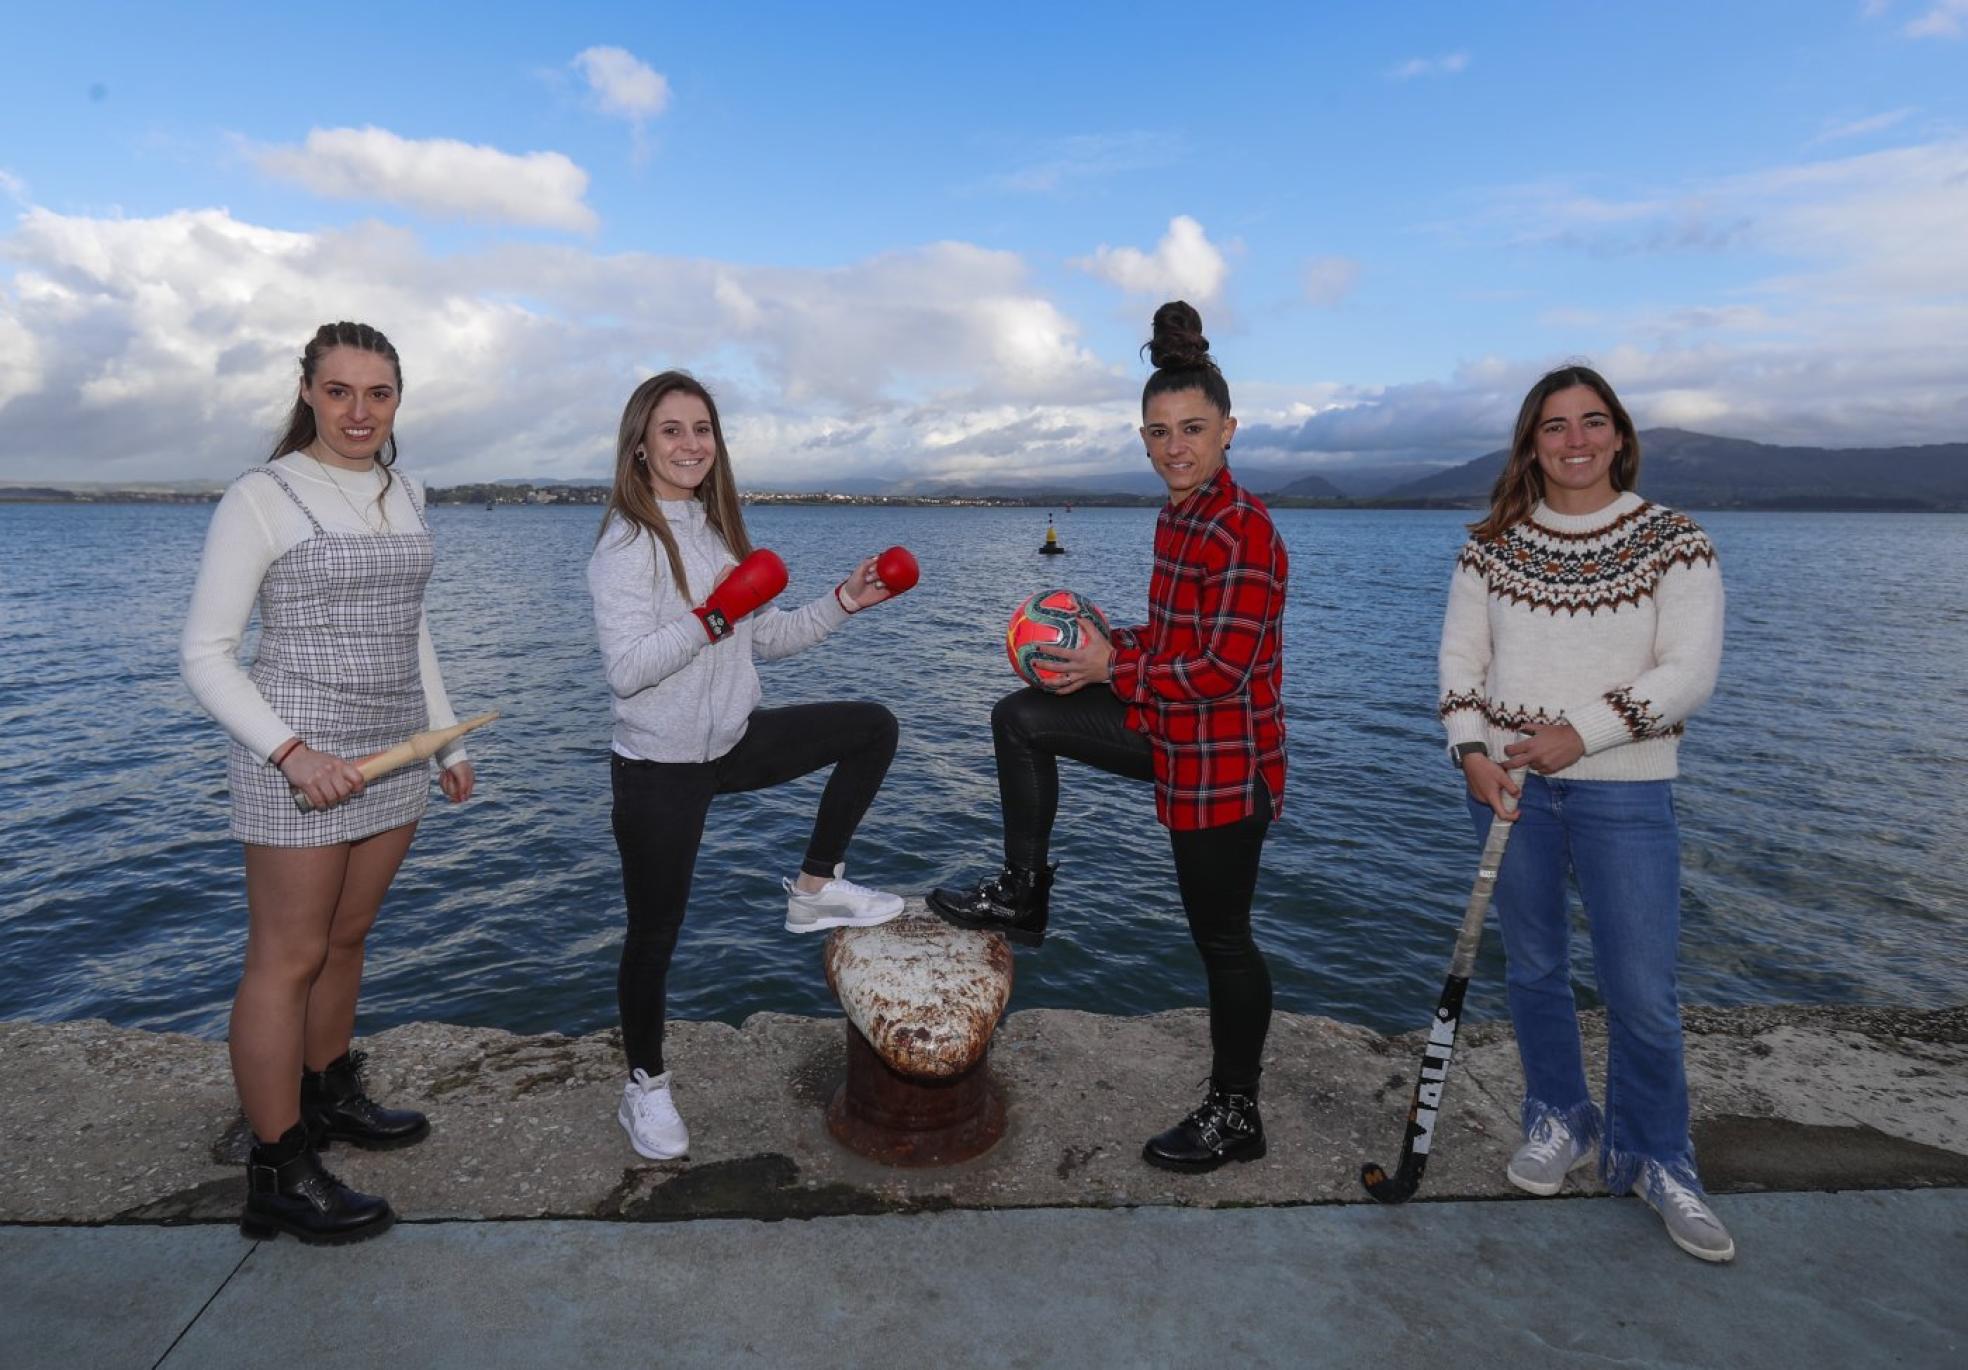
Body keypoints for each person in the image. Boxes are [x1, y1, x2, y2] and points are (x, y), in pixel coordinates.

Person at [929, 301, 1287, 1173]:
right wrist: (1094, 645)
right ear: (1143, 435)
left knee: (1223, 942)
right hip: (1168, 731)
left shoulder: (1244, 531)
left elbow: (1218, 673)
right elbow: (1170, 644)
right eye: (1160, 431)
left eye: (1194, 429)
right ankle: (1026, 890)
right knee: (1022, 718)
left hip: (1224, 764)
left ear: (1229, 430)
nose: (1176, 447)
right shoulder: (1179, 516)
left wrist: (1108, 673)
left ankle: (1236, 1111)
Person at [181, 321, 474, 1245]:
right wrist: (293, 753)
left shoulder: (406, 488)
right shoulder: (261, 496)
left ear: (398, 400)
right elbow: (205, 653)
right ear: (307, 390)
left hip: (392, 755)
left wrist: (443, 739)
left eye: (378, 393)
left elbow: (412, 627)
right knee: (286, 958)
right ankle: (277, 1169)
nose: (360, 412)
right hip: (298, 763)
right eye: (340, 391)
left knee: (348, 936)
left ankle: (326, 1091)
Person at [1438, 364, 1730, 1261]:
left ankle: (1657, 1156)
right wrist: (1473, 754)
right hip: (1515, 791)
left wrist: (1581, 734)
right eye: (1555, 427)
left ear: (1619, 434)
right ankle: (1560, 1116)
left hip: (1629, 791)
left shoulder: (1673, 542)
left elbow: (1689, 673)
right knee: (1533, 970)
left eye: (1591, 423)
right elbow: (1461, 666)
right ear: (1531, 444)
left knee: (1642, 991)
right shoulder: (1490, 547)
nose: (1575, 442)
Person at [589, 370, 912, 1162]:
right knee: (654, 936)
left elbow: (761, 640)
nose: (691, 443)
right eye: (672, 429)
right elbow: (627, 669)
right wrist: (715, 613)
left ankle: (815, 887)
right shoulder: (625, 545)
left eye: (703, 429)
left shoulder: (716, 529)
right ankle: (646, 1088)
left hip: (730, 740)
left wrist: (847, 600)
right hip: (659, 766)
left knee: (872, 728)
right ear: (640, 443)